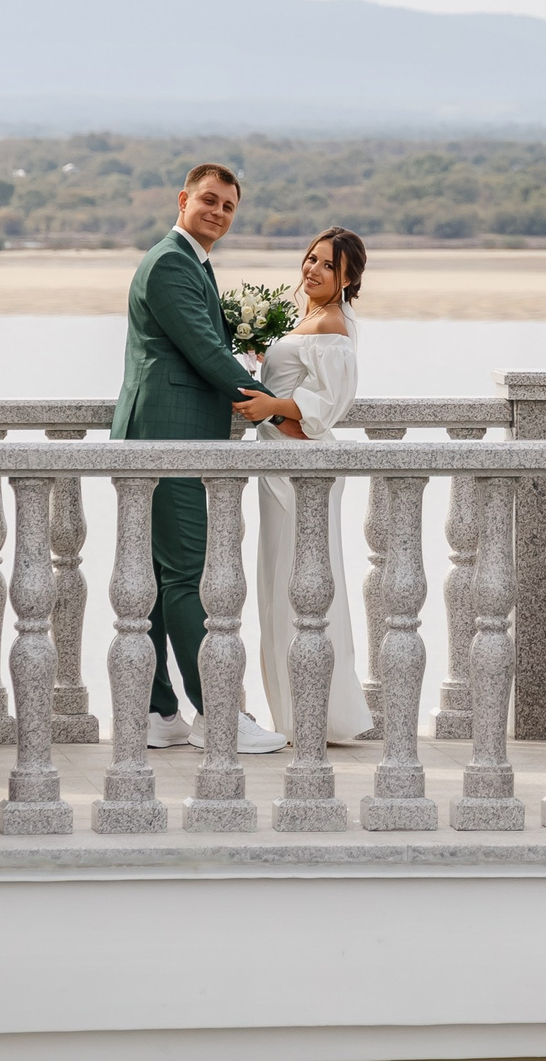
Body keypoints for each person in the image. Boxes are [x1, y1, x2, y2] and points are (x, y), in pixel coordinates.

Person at [115, 162, 288, 755]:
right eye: (209, 200)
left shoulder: (191, 263)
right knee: (187, 575)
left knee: (159, 579)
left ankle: (159, 712)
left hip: (160, 433)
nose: (218, 212)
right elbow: (205, 351)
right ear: (183, 199)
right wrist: (272, 409)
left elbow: (202, 346)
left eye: (228, 206)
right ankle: (218, 713)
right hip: (169, 435)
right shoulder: (170, 262)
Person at [233, 227, 374, 745]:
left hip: (300, 471)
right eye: (311, 259)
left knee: (298, 589)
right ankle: (294, 716)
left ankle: (314, 715)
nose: (313, 270)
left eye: (328, 265)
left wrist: (270, 406)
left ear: (348, 278)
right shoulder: (308, 318)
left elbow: (317, 413)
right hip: (278, 463)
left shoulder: (333, 324)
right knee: (278, 587)